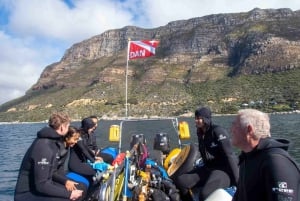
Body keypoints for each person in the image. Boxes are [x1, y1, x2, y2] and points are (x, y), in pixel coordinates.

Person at [231, 109, 300, 201]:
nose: (231, 129)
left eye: (235, 125)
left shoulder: (276, 162)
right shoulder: (247, 157)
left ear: (249, 130)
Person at [173, 107, 239, 201]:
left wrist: (238, 180)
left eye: (199, 118)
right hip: (208, 168)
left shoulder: (217, 131)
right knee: (181, 181)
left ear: (206, 118)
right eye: (195, 118)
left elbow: (230, 155)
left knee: (205, 194)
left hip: (223, 170)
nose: (196, 120)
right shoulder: (200, 133)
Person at [14, 112, 84, 201]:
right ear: (62, 127)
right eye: (67, 126)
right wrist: (68, 194)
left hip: (44, 186)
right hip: (27, 195)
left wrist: (65, 181)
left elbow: (52, 172)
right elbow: (41, 185)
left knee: (80, 188)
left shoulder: (53, 142)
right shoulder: (44, 146)